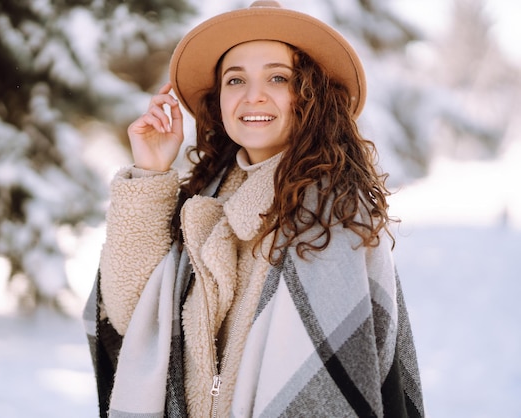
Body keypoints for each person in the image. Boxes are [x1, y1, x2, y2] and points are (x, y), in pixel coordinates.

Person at [83, 1, 424, 417]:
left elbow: (327, 391)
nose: (253, 96)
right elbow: (130, 317)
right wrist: (152, 173)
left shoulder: (334, 218)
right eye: (235, 79)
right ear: (219, 99)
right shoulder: (204, 203)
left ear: (312, 95)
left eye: (279, 77)